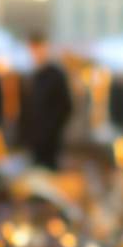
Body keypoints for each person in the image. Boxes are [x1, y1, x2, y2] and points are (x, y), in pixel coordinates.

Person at [19, 34, 72, 169]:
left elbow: (65, 106)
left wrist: (51, 129)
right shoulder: (33, 75)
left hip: (50, 139)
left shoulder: (55, 75)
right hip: (34, 139)